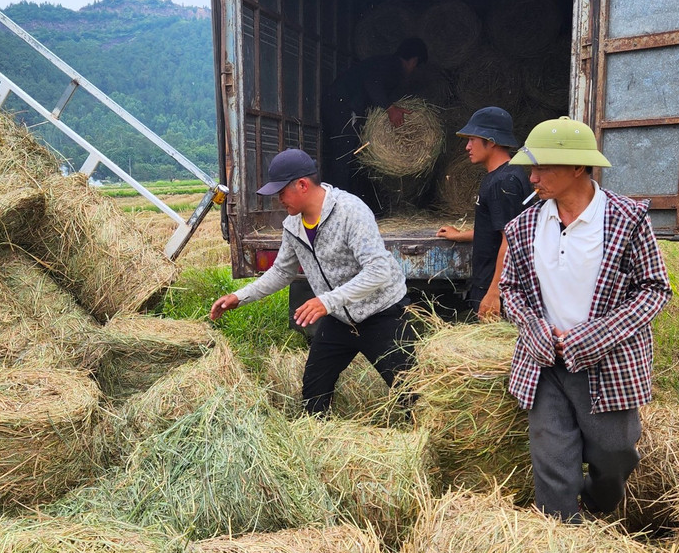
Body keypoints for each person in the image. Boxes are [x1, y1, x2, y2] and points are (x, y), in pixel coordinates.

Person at [500, 117, 671, 522]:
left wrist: (595, 336)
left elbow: (654, 290)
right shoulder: (524, 226)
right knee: (552, 464)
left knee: (615, 457)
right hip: (546, 365)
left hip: (608, 364)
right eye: (530, 168)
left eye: (542, 168)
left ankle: (597, 505)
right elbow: (511, 291)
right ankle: (564, 544)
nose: (533, 178)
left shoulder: (626, 219)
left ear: (578, 167)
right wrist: (536, 329)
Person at [210, 148, 414, 416]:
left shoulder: (350, 211)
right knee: (314, 392)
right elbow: (282, 272)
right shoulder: (293, 225)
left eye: (282, 192)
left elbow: (378, 271)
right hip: (340, 319)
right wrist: (240, 296)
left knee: (411, 393)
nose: (279, 199)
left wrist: (327, 301)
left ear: (302, 185)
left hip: (381, 314)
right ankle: (318, 440)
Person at [435, 107, 528, 320]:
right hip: (489, 283)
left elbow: (510, 240)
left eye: (472, 140)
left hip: (493, 287)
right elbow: (498, 229)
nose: (467, 147)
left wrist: (495, 292)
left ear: (491, 140)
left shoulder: (503, 183)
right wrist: (460, 235)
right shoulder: (505, 175)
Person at [320, 38, 429, 213]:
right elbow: (372, 83)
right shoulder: (393, 66)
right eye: (417, 67)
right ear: (414, 61)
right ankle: (336, 209)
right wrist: (389, 108)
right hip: (342, 105)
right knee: (343, 156)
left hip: (339, 103)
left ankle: (347, 206)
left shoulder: (384, 63)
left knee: (348, 157)